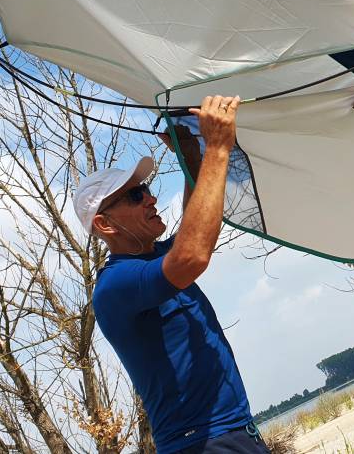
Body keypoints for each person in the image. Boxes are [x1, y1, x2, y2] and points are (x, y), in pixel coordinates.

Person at [73, 95, 271, 454]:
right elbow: (192, 255)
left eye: (145, 189)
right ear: (104, 224)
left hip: (229, 433)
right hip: (199, 443)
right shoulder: (114, 286)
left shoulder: (157, 257)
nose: (149, 199)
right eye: (135, 195)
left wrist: (193, 158)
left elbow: (196, 226)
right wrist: (218, 148)